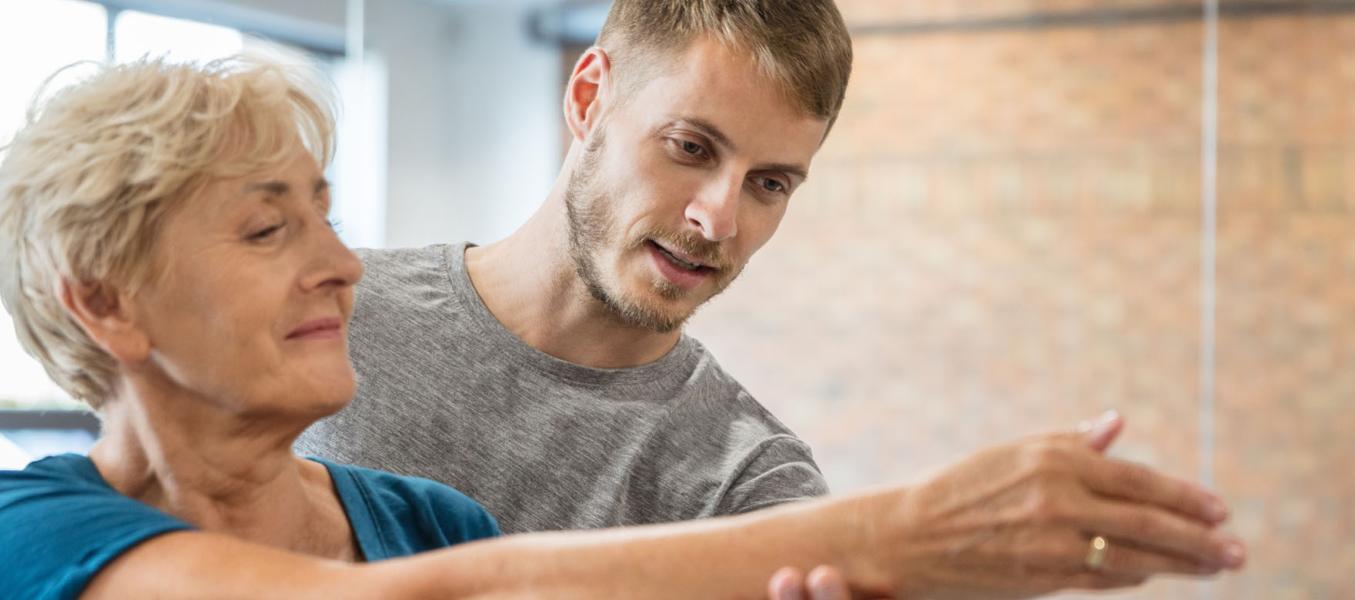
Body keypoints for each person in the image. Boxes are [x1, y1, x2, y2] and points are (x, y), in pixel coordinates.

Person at [0, 57, 1241, 600]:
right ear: (105, 302)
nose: (339, 265)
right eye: (271, 230)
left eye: (773, 182)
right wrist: (911, 530)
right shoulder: (32, 529)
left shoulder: (430, 523)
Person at [291, 1, 1246, 592]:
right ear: (588, 100)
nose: (719, 218)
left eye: (770, 183)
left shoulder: (752, 485)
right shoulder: (326, 313)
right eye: (690, 147)